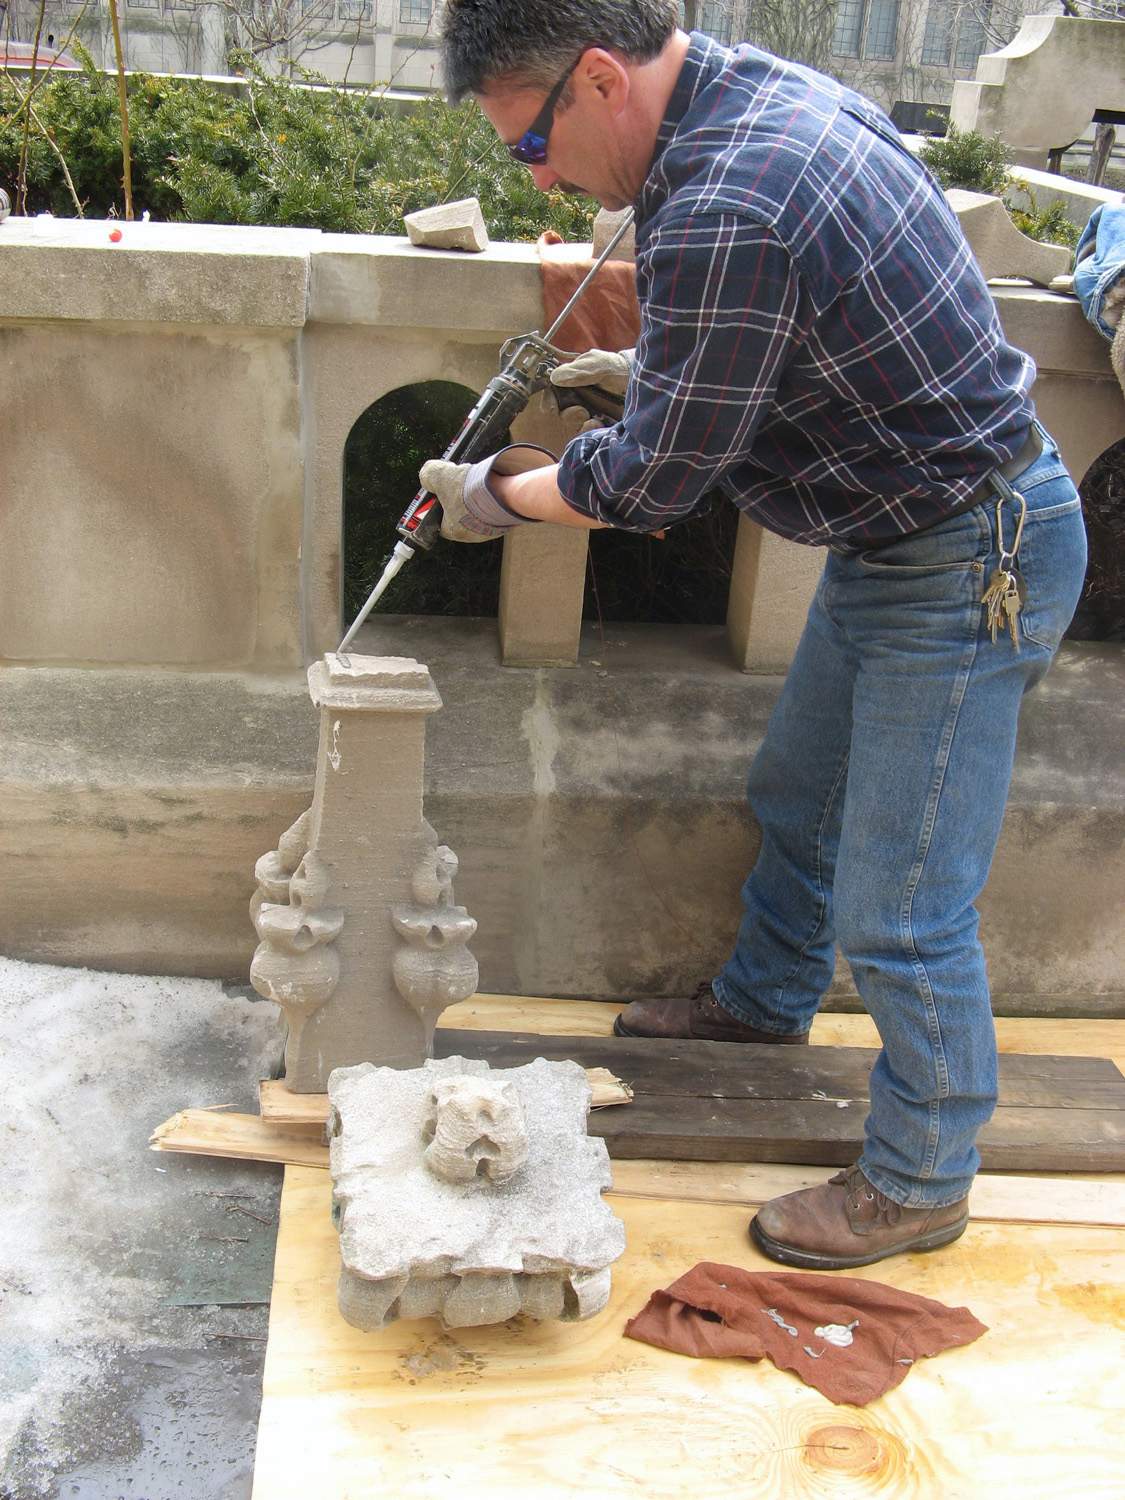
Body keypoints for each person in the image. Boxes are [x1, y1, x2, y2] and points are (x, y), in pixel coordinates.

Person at [421, 1, 1087, 1270]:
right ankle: (767, 1003)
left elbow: (658, 485)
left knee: (904, 907)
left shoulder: (730, 198)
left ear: (600, 75)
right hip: (903, 531)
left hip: (969, 558)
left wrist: (499, 496)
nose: (542, 177)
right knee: (798, 790)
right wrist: (657, 373)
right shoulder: (743, 98)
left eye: (531, 148)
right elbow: (781, 333)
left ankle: (922, 1176)